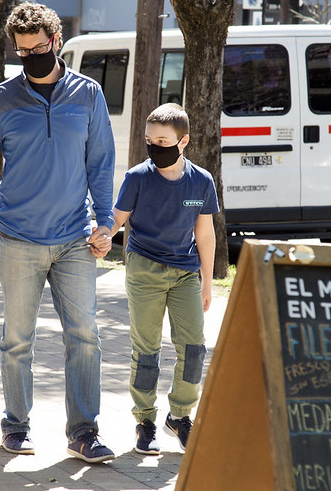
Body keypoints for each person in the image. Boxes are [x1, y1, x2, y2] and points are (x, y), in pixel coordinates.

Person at [0, 2, 116, 463]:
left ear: (56, 41)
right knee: (17, 339)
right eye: (21, 51)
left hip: (76, 238)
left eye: (38, 47)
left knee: (84, 337)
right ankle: (15, 427)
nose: (30, 56)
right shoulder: (1, 99)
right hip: (19, 238)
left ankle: (83, 432)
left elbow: (100, 164)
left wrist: (106, 222)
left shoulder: (88, 94)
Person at [105, 103, 218, 455]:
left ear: (183, 141)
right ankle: (145, 422)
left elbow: (206, 234)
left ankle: (180, 416)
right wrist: (103, 235)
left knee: (194, 348)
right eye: (149, 140)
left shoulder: (201, 180)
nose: (155, 147)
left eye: (163, 140)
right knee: (147, 349)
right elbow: (117, 219)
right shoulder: (138, 177)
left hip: (185, 272)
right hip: (145, 268)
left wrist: (207, 282)